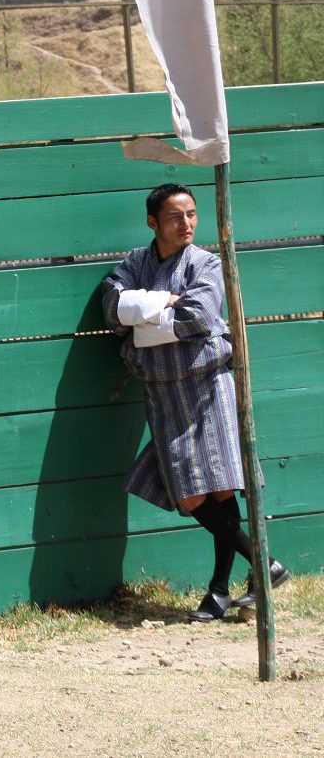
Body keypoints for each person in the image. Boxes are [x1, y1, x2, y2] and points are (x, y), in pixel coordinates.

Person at [101, 183, 289, 622]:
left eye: (191, 215)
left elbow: (199, 316)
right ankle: (266, 564)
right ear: (153, 222)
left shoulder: (207, 263)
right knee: (188, 495)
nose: (185, 224)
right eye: (174, 217)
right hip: (164, 394)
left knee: (222, 488)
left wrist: (142, 320)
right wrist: (156, 303)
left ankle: (220, 590)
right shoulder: (134, 263)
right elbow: (111, 308)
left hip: (209, 388)